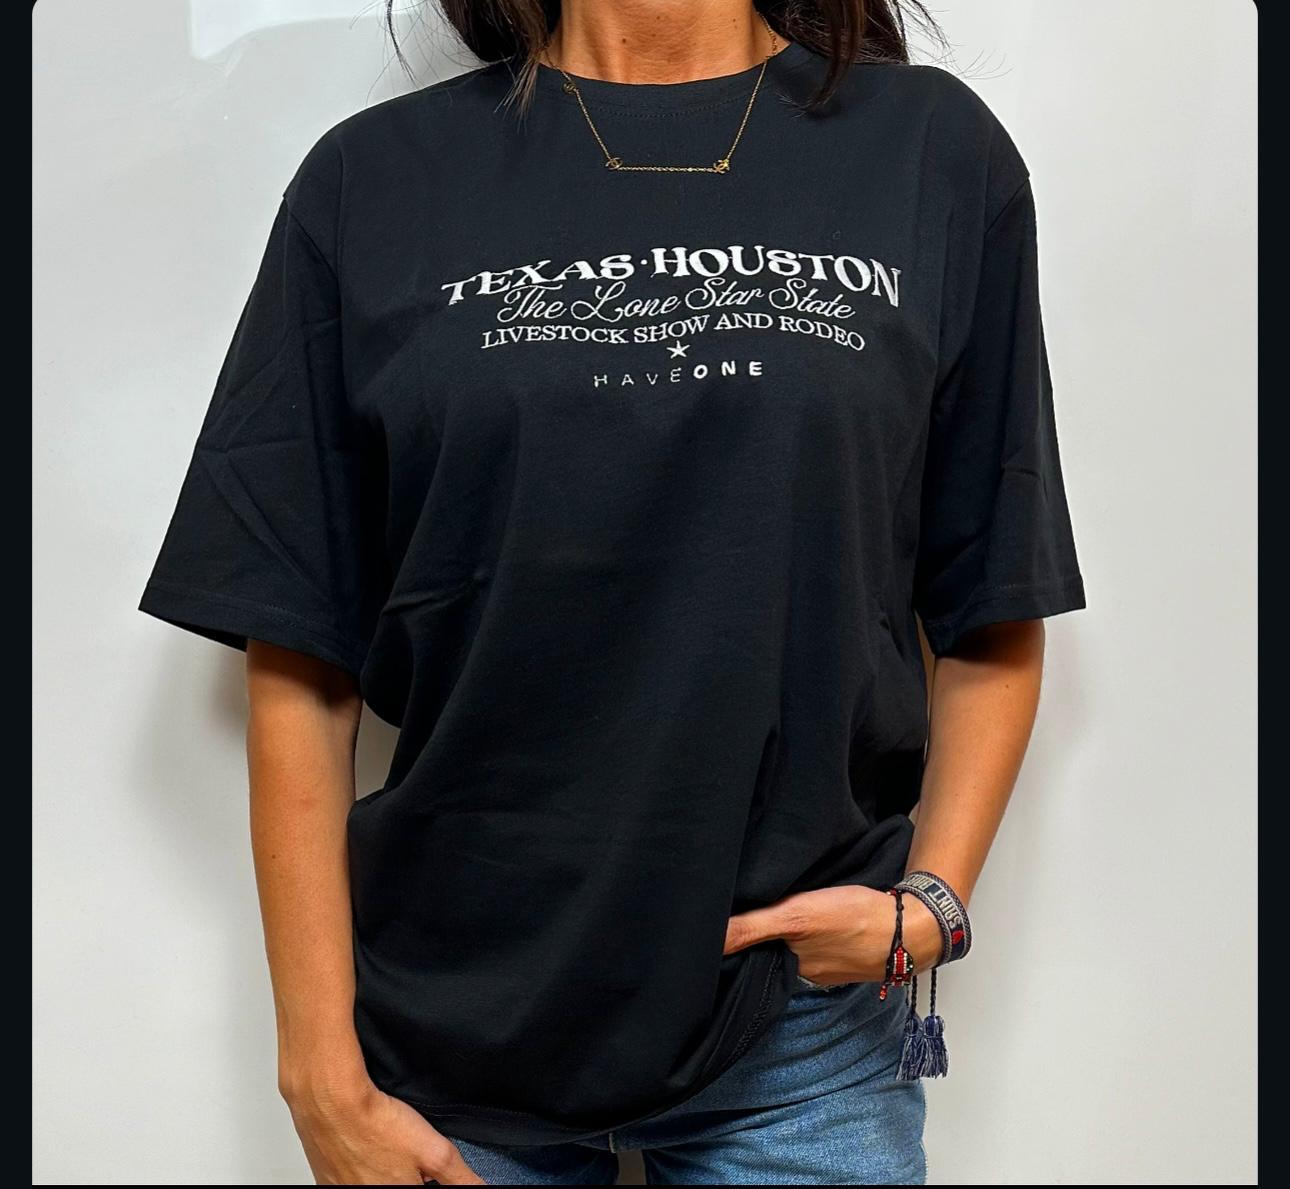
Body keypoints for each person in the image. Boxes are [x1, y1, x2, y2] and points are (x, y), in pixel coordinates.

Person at [139, 0, 1085, 1182]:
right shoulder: (372, 180)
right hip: (453, 1032)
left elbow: (992, 587)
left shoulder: (931, 152)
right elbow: (296, 645)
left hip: (797, 1042)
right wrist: (319, 1071)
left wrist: (930, 906)